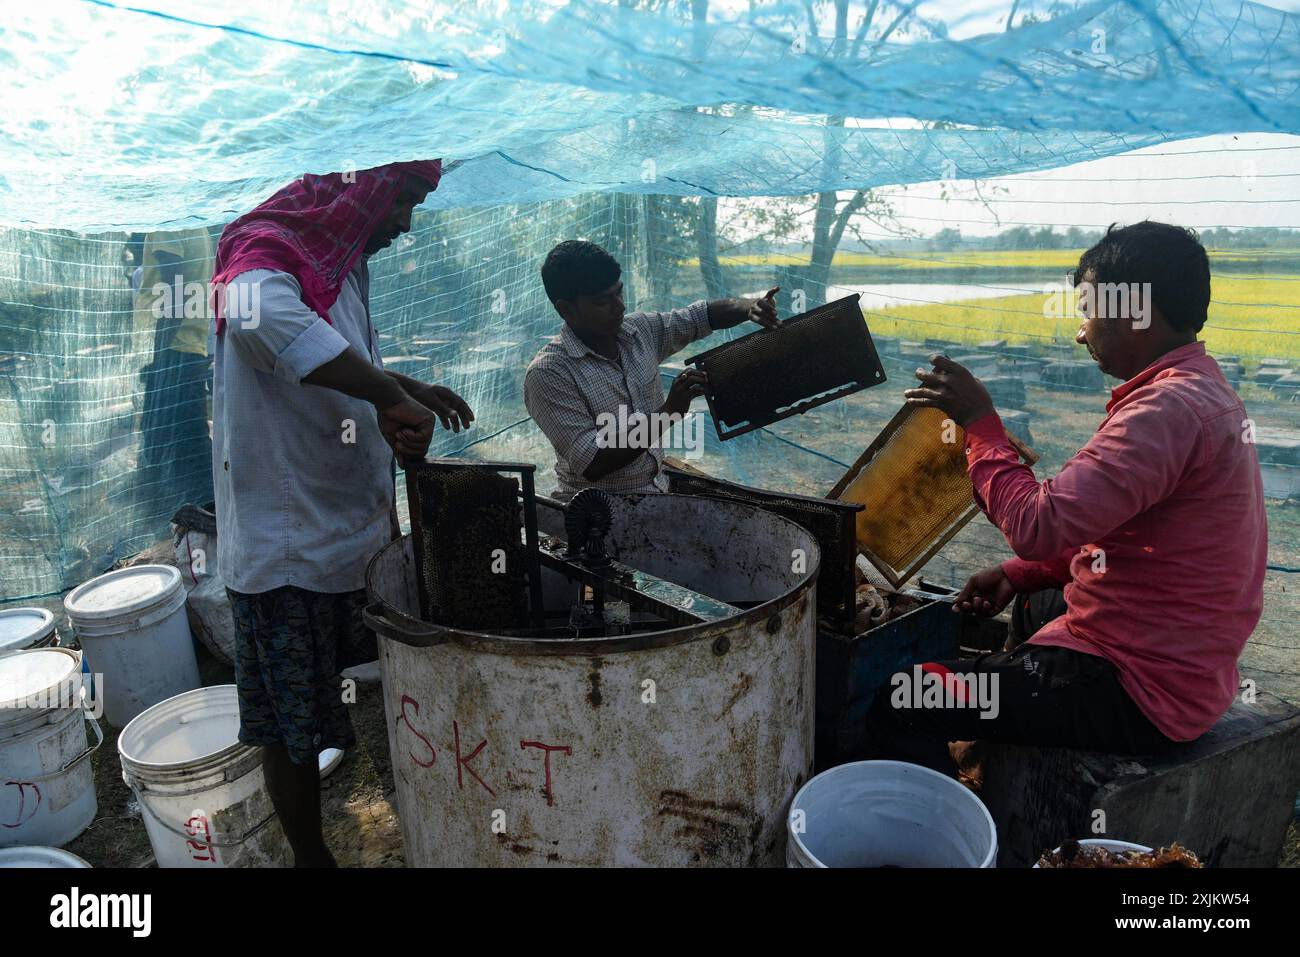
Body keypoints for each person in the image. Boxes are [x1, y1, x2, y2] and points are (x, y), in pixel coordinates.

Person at [865, 221, 1267, 774]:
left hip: (1141, 690)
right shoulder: (1200, 390)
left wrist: (980, 425)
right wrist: (1017, 573)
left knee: (908, 695)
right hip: (1184, 665)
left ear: (1133, 313)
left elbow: (1039, 524)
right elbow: (1110, 529)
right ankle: (1005, 731)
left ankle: (947, 828)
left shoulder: (1165, 411)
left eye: (1088, 311)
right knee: (1036, 600)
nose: (1081, 333)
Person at [210, 160, 474, 867]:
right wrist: (388, 395)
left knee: (392, 687)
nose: (406, 222)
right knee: (289, 727)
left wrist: (400, 384)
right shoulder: (264, 253)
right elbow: (259, 316)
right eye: (404, 201)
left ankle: (426, 809)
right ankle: (311, 857)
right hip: (288, 548)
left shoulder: (342, 261)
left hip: (352, 528)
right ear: (366, 189)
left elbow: (336, 353)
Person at [524, 240, 779, 499]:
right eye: (603, 301)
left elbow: (699, 316)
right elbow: (593, 462)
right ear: (566, 309)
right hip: (596, 517)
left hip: (658, 493)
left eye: (619, 293)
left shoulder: (639, 331)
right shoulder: (548, 373)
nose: (620, 306)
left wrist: (748, 307)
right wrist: (668, 413)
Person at [132, 227, 216, 507]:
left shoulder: (167, 224)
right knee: (168, 431)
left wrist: (159, 356)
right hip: (186, 343)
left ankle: (206, 511)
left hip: (174, 347)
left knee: (186, 438)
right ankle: (158, 501)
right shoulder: (196, 223)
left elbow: (175, 293)